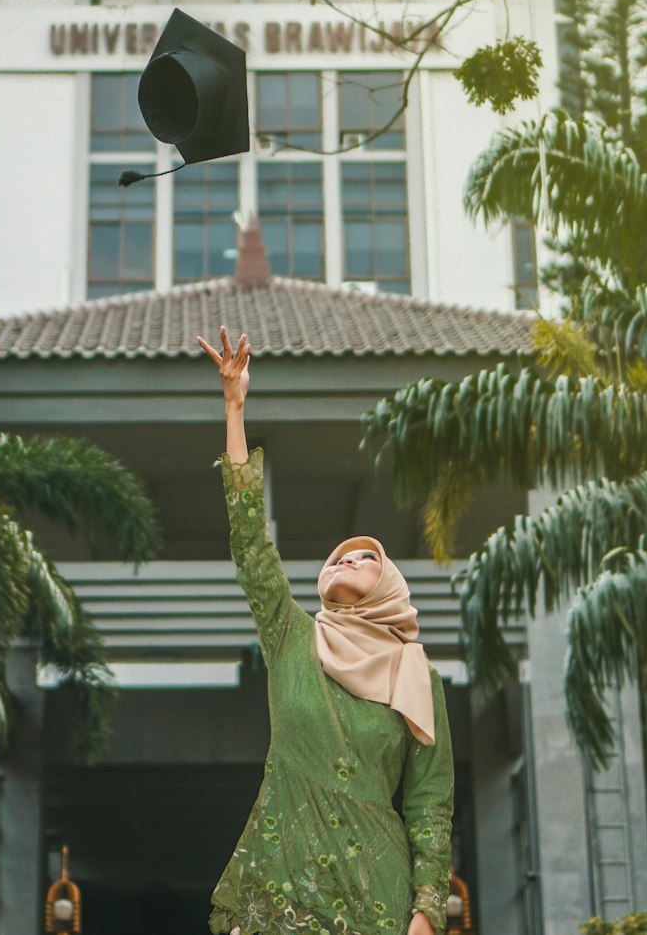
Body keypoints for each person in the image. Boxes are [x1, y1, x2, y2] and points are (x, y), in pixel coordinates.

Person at [197, 326, 454, 935]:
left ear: (390, 584)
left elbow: (429, 800)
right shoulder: (294, 639)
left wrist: (425, 910)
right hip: (280, 887)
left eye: (365, 557)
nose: (345, 559)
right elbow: (251, 548)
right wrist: (235, 408)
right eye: (338, 556)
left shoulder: (418, 677)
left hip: (378, 900)